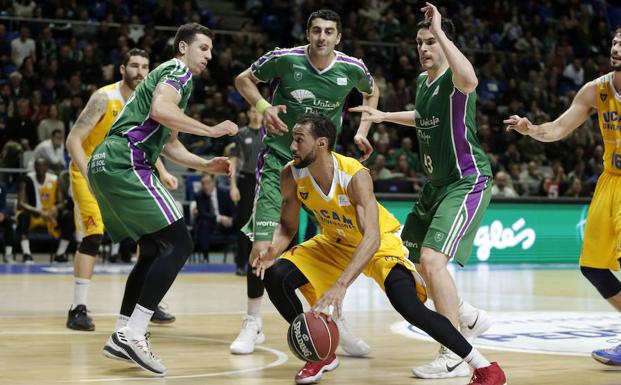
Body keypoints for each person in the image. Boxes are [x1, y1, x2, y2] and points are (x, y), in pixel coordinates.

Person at [253, 113, 507, 385]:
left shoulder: (354, 176)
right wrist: (273, 249)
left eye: (299, 140)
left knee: (408, 304)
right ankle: (320, 355)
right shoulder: (291, 174)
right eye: (293, 139)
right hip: (334, 242)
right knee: (276, 275)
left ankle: (484, 368)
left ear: (322, 143)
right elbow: (288, 227)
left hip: (378, 242)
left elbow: (371, 238)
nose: (292, 146)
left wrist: (341, 284)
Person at [349, 3, 493, 379]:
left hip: (466, 179)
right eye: (420, 42)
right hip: (435, 186)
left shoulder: (456, 80)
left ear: (446, 45)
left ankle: (454, 352)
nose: (424, 48)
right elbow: (422, 116)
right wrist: (383, 116)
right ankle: (465, 314)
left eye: (431, 41)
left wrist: (442, 33)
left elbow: (472, 79)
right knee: (413, 260)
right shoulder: (423, 82)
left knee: (432, 262)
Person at [87, 23, 237, 376]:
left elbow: (169, 143)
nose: (209, 57)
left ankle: (122, 331)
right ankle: (134, 333)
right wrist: (212, 130)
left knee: (154, 248)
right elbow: (159, 111)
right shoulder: (177, 71)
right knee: (179, 243)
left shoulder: (167, 78)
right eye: (203, 49)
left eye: (211, 51)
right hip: (127, 159)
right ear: (182, 47)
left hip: (105, 162)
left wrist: (205, 164)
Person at [231, 8, 378, 357]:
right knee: (261, 244)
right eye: (316, 30)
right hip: (279, 161)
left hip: (321, 168)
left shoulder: (352, 68)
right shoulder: (284, 60)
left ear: (338, 37)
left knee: (329, 249)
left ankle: (333, 323)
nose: (322, 37)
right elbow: (243, 79)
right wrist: (265, 106)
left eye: (329, 31)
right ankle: (253, 322)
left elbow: (372, 93)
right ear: (308, 33)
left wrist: (362, 130)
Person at [504, 27, 621, 366]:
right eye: (614, 41)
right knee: (593, 267)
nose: (616, 47)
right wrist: (531, 129)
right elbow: (556, 129)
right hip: (610, 182)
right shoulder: (596, 90)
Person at [65, 49, 178, 332]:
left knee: (150, 237)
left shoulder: (147, 101)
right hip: (91, 172)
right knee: (93, 235)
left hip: (123, 176)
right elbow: (73, 140)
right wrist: (88, 172)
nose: (140, 72)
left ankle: (146, 303)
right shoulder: (104, 98)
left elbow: (143, 144)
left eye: (145, 67)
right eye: (134, 66)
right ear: (122, 69)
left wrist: (163, 172)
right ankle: (77, 307)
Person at [16, 158, 73, 264]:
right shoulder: (27, 179)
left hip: (50, 217)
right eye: (38, 165)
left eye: (43, 166)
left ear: (47, 167)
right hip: (34, 215)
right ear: (34, 167)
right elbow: (21, 203)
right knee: (22, 215)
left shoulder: (55, 179)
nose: (40, 168)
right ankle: (27, 254)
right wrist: (38, 212)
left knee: (68, 216)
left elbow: (61, 203)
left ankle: (60, 254)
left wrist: (56, 208)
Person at [229, 105, 264, 276]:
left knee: (263, 221)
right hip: (246, 180)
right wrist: (233, 185)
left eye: (258, 110)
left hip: (265, 180)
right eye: (252, 110)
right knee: (243, 222)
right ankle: (241, 262)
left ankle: (259, 261)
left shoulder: (269, 133)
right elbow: (233, 160)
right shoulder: (241, 133)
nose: (255, 113)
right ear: (248, 113)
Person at [193, 173, 234, 262]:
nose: (205, 186)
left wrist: (230, 219)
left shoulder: (225, 193)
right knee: (204, 224)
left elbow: (232, 211)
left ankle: (243, 258)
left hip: (225, 224)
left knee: (240, 221)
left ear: (214, 182)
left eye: (208, 182)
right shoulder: (199, 195)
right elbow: (203, 214)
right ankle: (205, 257)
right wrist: (219, 218)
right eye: (203, 183)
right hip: (210, 224)